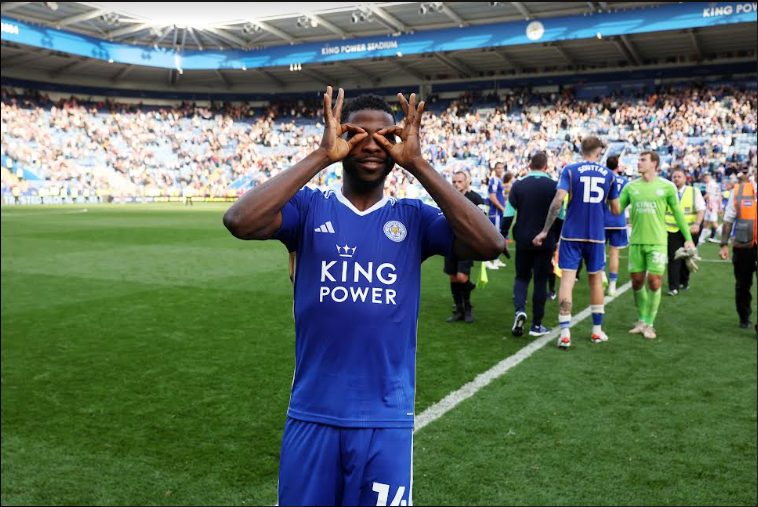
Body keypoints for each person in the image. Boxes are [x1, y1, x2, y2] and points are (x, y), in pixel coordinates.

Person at [222, 87, 503, 506]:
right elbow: (240, 220)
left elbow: (490, 244)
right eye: (357, 134)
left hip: (386, 420)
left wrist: (419, 163)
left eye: (385, 136)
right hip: (313, 414)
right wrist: (321, 156)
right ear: (339, 137)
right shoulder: (309, 209)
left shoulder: (414, 218)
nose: (371, 145)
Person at [533, 137, 620, 349]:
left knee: (567, 282)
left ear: (582, 149)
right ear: (599, 151)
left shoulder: (570, 170)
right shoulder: (609, 175)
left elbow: (558, 201)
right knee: (596, 281)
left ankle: (564, 333)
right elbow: (616, 209)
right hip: (596, 235)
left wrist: (545, 230)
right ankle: (597, 331)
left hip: (572, 234)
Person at [617, 152, 695, 340]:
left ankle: (649, 323)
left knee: (654, 280)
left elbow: (678, 214)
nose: (639, 162)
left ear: (654, 164)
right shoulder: (631, 187)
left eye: (643, 160)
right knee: (636, 281)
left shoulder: (667, 187)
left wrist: (688, 238)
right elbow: (616, 209)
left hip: (658, 242)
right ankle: (642, 320)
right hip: (636, 241)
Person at [502, 151, 563, 337]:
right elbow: (560, 215)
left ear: (530, 165)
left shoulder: (518, 186)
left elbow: (508, 213)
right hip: (545, 240)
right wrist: (556, 237)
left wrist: (503, 234)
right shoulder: (554, 186)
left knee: (521, 277)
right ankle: (537, 325)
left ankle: (520, 309)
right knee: (540, 281)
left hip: (523, 238)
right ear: (546, 166)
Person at [445, 169, 487, 323]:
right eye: (454, 181)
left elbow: (483, 220)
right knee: (453, 277)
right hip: (449, 241)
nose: (456, 184)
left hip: (467, 243)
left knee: (462, 277)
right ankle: (459, 309)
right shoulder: (448, 197)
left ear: (467, 181)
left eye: (459, 181)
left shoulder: (476, 198)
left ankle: (468, 307)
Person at [719, 167, 757, 332]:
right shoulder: (739, 190)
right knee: (743, 284)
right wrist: (723, 244)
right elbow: (728, 219)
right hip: (743, 245)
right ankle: (744, 316)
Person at [666, 168, 705, 295]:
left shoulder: (694, 191)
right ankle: (673, 287)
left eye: (679, 176)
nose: (676, 179)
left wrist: (697, 224)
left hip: (690, 230)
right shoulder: (667, 192)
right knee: (674, 257)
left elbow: (701, 209)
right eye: (674, 177)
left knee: (687, 257)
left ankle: (684, 282)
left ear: (685, 178)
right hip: (672, 230)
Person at [603, 155, 629, 297]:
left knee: (599, 251)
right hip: (618, 220)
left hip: (602, 220)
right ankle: (612, 285)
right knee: (614, 254)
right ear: (617, 166)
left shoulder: (602, 178)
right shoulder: (624, 181)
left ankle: (601, 276)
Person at [486, 162, 507, 269]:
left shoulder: (500, 181)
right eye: (498, 168)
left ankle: (496, 260)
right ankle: (488, 260)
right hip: (496, 213)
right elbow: (492, 197)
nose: (500, 170)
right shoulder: (494, 180)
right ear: (495, 169)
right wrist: (502, 208)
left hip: (499, 213)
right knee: (494, 237)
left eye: (502, 168)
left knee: (499, 237)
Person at [702, 172, 722, 243]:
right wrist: (720, 207)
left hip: (711, 205)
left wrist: (700, 199)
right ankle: (701, 238)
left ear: (707, 177)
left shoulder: (710, 184)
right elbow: (719, 196)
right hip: (713, 205)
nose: (704, 180)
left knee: (714, 223)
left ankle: (725, 237)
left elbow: (708, 195)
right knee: (706, 222)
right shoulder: (715, 184)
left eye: (704, 178)